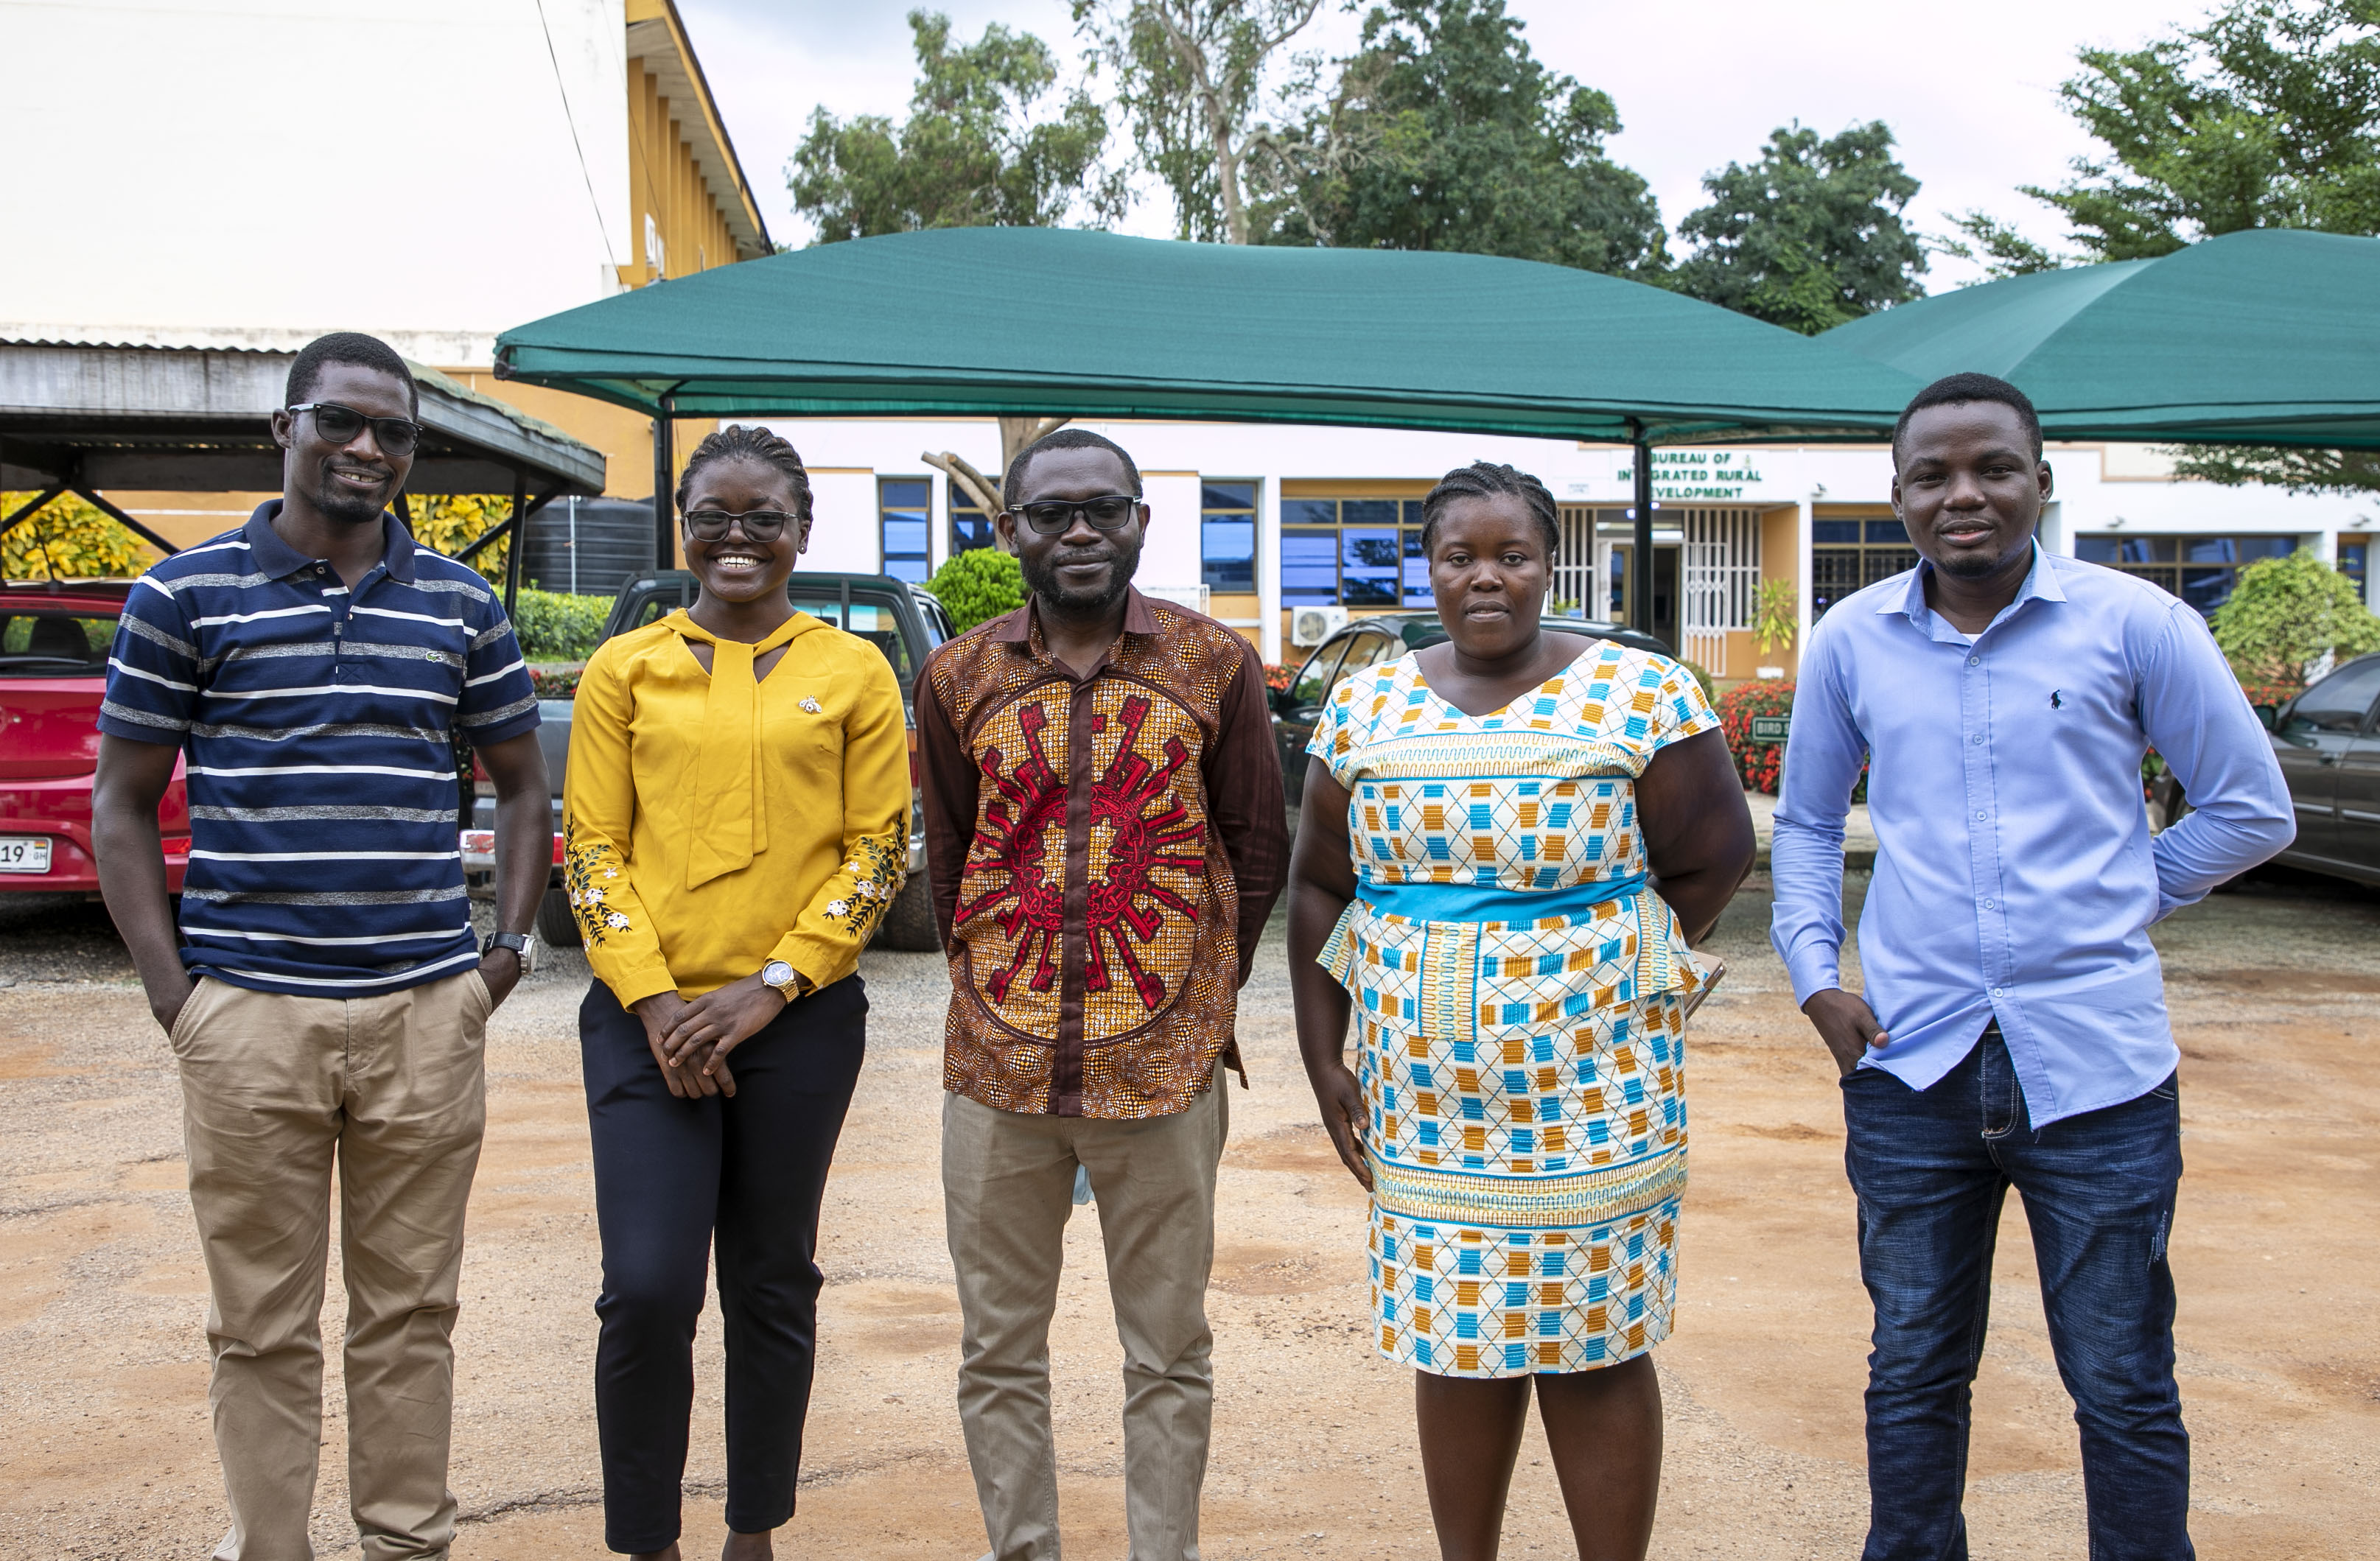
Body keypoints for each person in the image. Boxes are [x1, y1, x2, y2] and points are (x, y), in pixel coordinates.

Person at [1771, 373, 2296, 1560]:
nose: (1964, 496)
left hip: (2098, 1071)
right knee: (1909, 1368)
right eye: (1932, 475)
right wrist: (1813, 974)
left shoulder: (2136, 623)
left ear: (2039, 484)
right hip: (1909, 1066)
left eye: (1992, 469)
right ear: (1898, 496)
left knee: (2120, 1381)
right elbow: (1804, 825)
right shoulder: (1852, 640)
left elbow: (2249, 809)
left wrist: (2122, 895)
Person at [91, 331, 550, 1561]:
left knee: (411, 1317)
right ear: (282, 430)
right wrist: (175, 998)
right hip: (247, 1019)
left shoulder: (460, 602)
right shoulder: (182, 596)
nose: (366, 449)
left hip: (423, 1017)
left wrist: (499, 956)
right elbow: (121, 806)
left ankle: (406, 1542)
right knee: (260, 1327)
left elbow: (521, 789)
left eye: (393, 433)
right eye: (340, 422)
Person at [1286, 461, 1754, 1561]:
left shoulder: (1638, 693)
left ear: (1551, 567)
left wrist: (1591, 967)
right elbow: (1318, 881)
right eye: (1460, 556)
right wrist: (1325, 1055)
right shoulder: (1366, 701)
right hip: (1423, 1088)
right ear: (1430, 570)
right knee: (1455, 1337)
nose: (1485, 578)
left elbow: (1715, 857)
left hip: (1593, 1084)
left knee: (1593, 1336)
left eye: (1512, 555)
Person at [916, 427, 1287, 1561]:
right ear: (1008, 531)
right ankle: (1022, 1549)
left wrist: (1199, 1002)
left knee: (1168, 1348)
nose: (1080, 530)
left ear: (1139, 522)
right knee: (997, 1349)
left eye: (1103, 509)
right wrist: (997, 985)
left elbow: (1255, 847)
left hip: (1164, 1072)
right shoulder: (957, 676)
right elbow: (950, 859)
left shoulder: (1213, 665)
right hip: (999, 1069)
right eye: (1052, 513)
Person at [561, 424, 909, 1560]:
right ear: (684, 527)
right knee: (649, 1287)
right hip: (645, 1024)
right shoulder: (629, 667)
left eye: (764, 517)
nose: (737, 537)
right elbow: (591, 849)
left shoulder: (852, 670)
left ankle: (752, 1528)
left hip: (795, 1023)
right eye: (713, 513)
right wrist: (658, 1003)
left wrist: (772, 986)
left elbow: (877, 852)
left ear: (801, 533)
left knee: (771, 1280)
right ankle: (646, 1540)